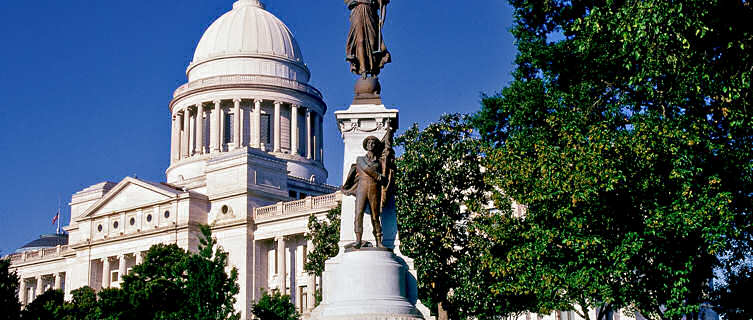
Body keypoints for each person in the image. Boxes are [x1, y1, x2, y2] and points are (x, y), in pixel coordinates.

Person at [342, 136, 385, 248]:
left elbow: (385, 174)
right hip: (362, 188)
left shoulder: (379, 162)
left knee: (375, 216)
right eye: (369, 143)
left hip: (374, 189)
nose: (371, 145)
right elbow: (366, 168)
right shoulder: (360, 159)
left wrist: (383, 178)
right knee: (358, 213)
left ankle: (379, 240)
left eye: (373, 143)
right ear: (366, 146)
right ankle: (358, 240)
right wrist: (378, 176)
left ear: (375, 146)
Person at [345, 0, 391, 78]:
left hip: (370, 13)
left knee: (372, 42)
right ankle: (363, 70)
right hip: (358, 12)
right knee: (360, 41)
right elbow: (348, 3)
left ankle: (373, 69)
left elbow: (382, 5)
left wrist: (382, 19)